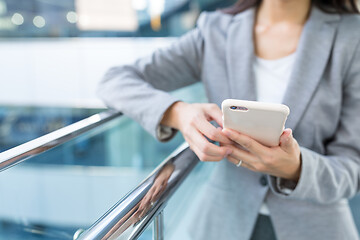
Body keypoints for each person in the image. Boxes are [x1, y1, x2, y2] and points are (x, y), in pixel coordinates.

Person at [97, 0, 360, 239]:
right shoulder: (215, 32)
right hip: (224, 223)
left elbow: (353, 167)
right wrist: (179, 113)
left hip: (317, 228)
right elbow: (113, 81)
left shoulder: (352, 37)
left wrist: (296, 169)